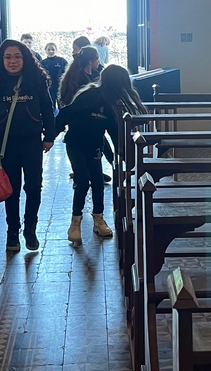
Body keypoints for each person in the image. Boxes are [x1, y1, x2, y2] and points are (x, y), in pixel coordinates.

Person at [56, 64, 145, 244]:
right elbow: (66, 114)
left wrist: (121, 155)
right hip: (75, 143)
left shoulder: (111, 103)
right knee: (82, 180)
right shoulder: (90, 96)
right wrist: (50, 136)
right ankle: (75, 223)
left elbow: (113, 132)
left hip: (95, 145)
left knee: (97, 182)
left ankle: (99, 219)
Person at [0, 39, 55, 253]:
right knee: (11, 190)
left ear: (25, 58)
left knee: (33, 187)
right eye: (8, 57)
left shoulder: (36, 81)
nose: (12, 61)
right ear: (1, 60)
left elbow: (48, 109)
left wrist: (49, 136)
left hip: (32, 143)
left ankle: (30, 228)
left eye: (17, 57)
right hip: (7, 145)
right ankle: (12, 231)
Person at [41, 42, 69, 108]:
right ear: (45, 50)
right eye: (48, 49)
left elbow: (68, 74)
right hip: (49, 88)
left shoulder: (62, 61)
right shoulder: (42, 63)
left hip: (60, 87)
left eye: (53, 49)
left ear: (56, 50)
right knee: (50, 106)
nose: (51, 51)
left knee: (62, 106)